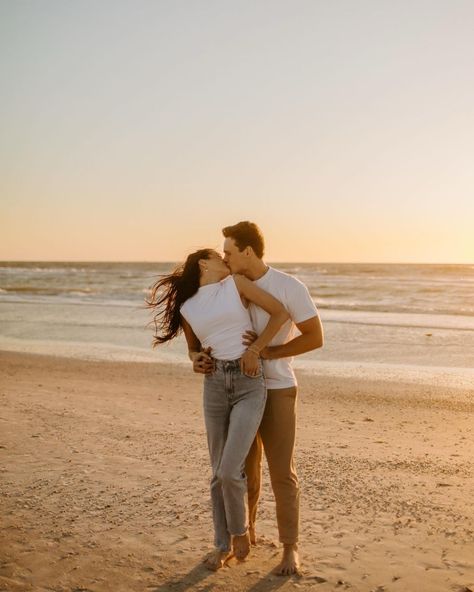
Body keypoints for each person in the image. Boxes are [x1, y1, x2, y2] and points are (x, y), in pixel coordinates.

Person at [192, 222, 324, 575]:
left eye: (229, 252)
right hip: (235, 388)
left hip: (277, 386)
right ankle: (241, 537)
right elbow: (209, 329)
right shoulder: (225, 285)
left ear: (247, 251)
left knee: (282, 473)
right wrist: (198, 357)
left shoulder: (288, 287)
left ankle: (290, 549)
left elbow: (315, 337)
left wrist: (266, 351)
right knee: (240, 472)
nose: (224, 257)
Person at [147, 248, 289, 571]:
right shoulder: (187, 307)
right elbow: (193, 351)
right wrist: (195, 360)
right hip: (214, 385)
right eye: (218, 256)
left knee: (229, 469)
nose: (226, 260)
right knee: (216, 474)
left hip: (248, 381)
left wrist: (256, 349)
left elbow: (280, 312)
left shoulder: (236, 284)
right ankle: (222, 545)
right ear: (203, 264)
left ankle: (239, 531)